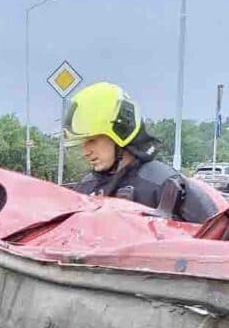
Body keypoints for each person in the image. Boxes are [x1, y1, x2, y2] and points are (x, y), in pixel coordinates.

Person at [65, 81, 220, 224]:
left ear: (121, 132)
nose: (85, 152)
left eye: (92, 140)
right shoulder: (86, 187)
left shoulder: (167, 187)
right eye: (82, 142)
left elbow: (216, 239)